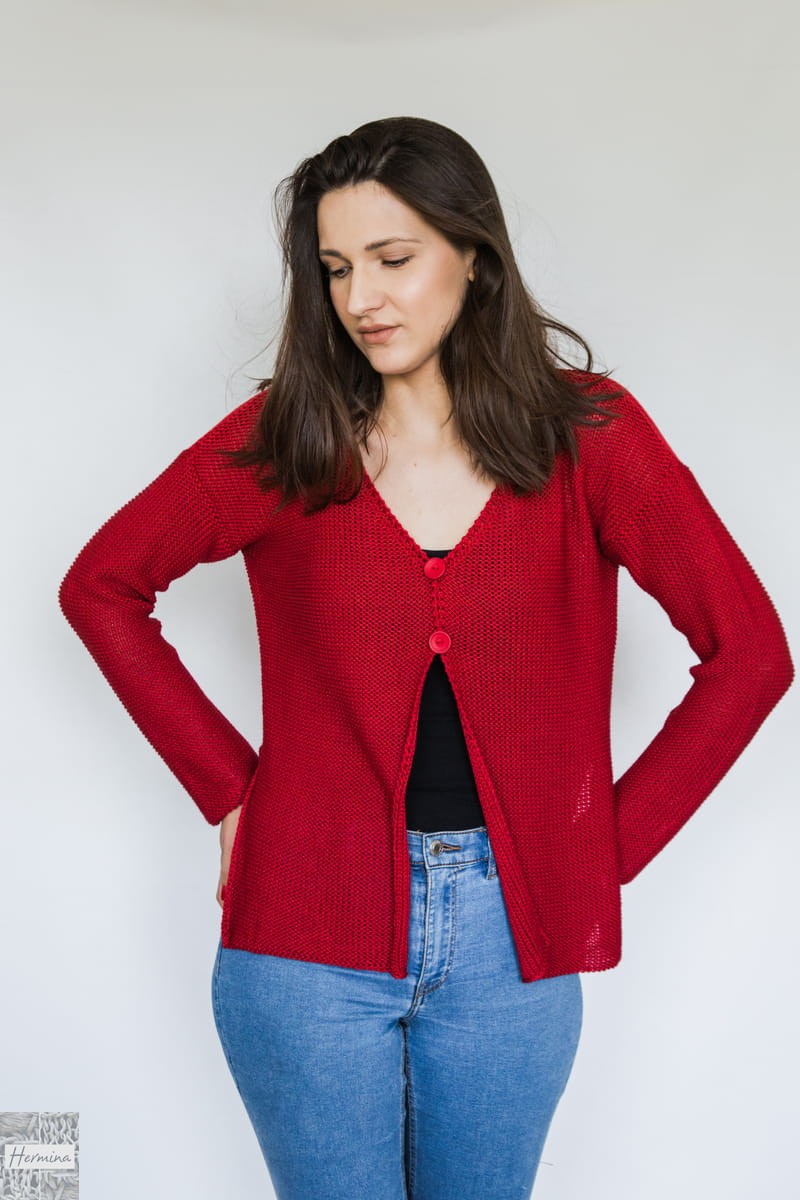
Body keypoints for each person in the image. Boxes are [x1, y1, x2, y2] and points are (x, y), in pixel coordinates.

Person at [58, 116, 794, 1200]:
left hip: (510, 944)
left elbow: (751, 655)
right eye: (335, 268)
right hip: (302, 936)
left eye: (393, 258)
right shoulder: (287, 438)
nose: (361, 298)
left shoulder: (588, 438)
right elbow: (101, 587)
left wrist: (598, 849)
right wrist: (228, 788)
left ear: (473, 257)